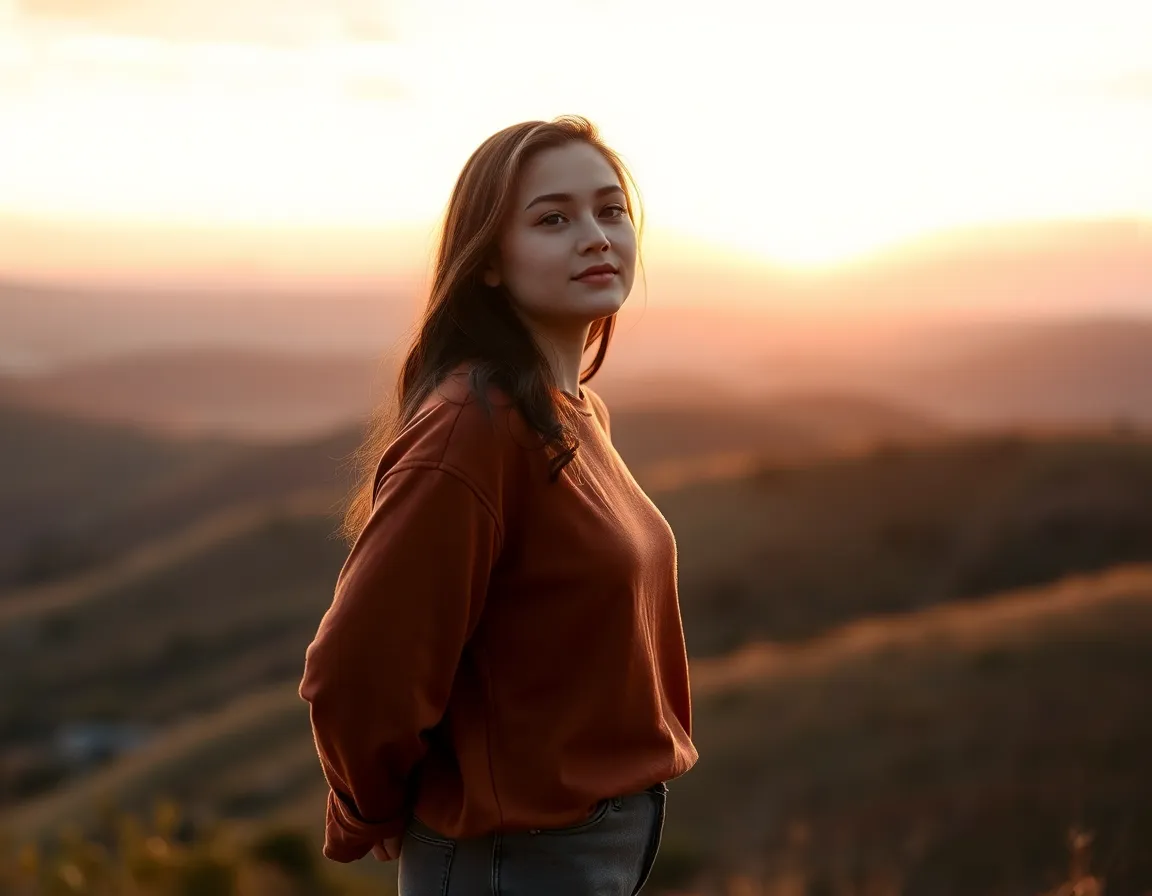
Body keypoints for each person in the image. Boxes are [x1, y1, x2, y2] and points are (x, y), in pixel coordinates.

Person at [298, 114, 699, 895]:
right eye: (553, 219)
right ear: (487, 261)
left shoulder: (566, 409)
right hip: (512, 860)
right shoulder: (473, 427)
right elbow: (358, 666)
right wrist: (366, 807)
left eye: (610, 210)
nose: (594, 235)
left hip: (583, 849)